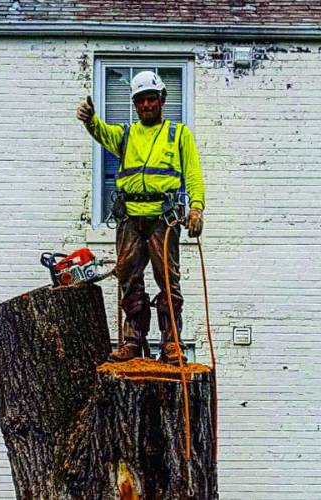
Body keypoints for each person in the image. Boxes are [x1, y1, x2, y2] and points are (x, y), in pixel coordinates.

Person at [76, 70, 204, 364]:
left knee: (168, 282)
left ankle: (171, 343)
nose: (146, 105)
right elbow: (101, 132)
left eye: (151, 99)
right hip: (130, 218)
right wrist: (90, 119)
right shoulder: (126, 135)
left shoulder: (178, 134)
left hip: (164, 218)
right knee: (129, 281)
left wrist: (196, 208)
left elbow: (193, 174)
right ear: (135, 105)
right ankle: (133, 341)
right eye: (140, 101)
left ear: (162, 100)